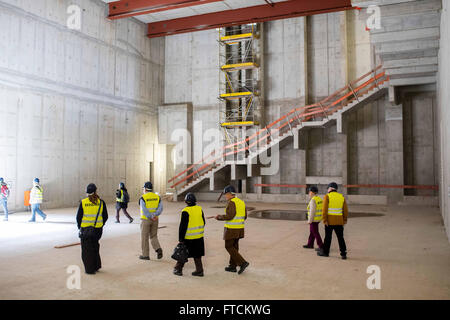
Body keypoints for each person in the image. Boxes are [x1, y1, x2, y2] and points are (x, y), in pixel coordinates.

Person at [215, 185, 250, 274]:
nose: (225, 196)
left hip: (232, 229)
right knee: (234, 246)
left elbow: (230, 216)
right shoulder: (241, 202)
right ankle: (232, 266)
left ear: (230, 194)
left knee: (228, 246)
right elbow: (245, 216)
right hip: (240, 228)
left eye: (226, 194)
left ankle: (242, 263)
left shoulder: (231, 202)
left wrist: (219, 217)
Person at [76, 183, 108, 274]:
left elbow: (78, 217)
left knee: (86, 251)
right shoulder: (101, 202)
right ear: (96, 191)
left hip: (86, 230)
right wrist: (101, 225)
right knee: (95, 247)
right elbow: (105, 216)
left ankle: (90, 269)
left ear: (87, 192)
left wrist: (80, 227)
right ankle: (96, 266)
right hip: (97, 230)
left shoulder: (83, 202)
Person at [173, 192, 205, 277]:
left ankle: (178, 269)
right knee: (197, 254)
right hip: (199, 237)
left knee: (183, 254)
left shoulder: (185, 211)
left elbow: (183, 227)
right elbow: (203, 222)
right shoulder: (199, 209)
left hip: (189, 237)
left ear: (186, 201)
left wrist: (181, 239)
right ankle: (199, 270)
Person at [317, 182, 348, 259]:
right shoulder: (341, 197)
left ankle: (326, 252)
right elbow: (345, 210)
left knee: (328, 237)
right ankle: (343, 254)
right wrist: (344, 220)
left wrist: (324, 220)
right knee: (341, 238)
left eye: (328, 188)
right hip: (339, 221)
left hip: (329, 222)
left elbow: (324, 210)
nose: (327, 190)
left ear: (330, 188)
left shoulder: (327, 196)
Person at [139, 181, 163, 260]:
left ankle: (145, 255)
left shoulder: (143, 198)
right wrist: (155, 215)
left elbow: (144, 210)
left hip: (146, 219)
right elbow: (160, 208)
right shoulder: (157, 197)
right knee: (153, 236)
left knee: (144, 237)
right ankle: (158, 248)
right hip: (155, 219)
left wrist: (150, 216)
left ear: (145, 189)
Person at [303, 186, 324, 251]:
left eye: (309, 191)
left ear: (312, 192)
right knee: (312, 232)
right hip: (318, 219)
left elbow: (312, 211)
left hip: (313, 219)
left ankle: (321, 246)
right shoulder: (319, 199)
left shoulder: (313, 200)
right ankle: (310, 244)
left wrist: (310, 220)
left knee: (315, 232)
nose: (309, 193)